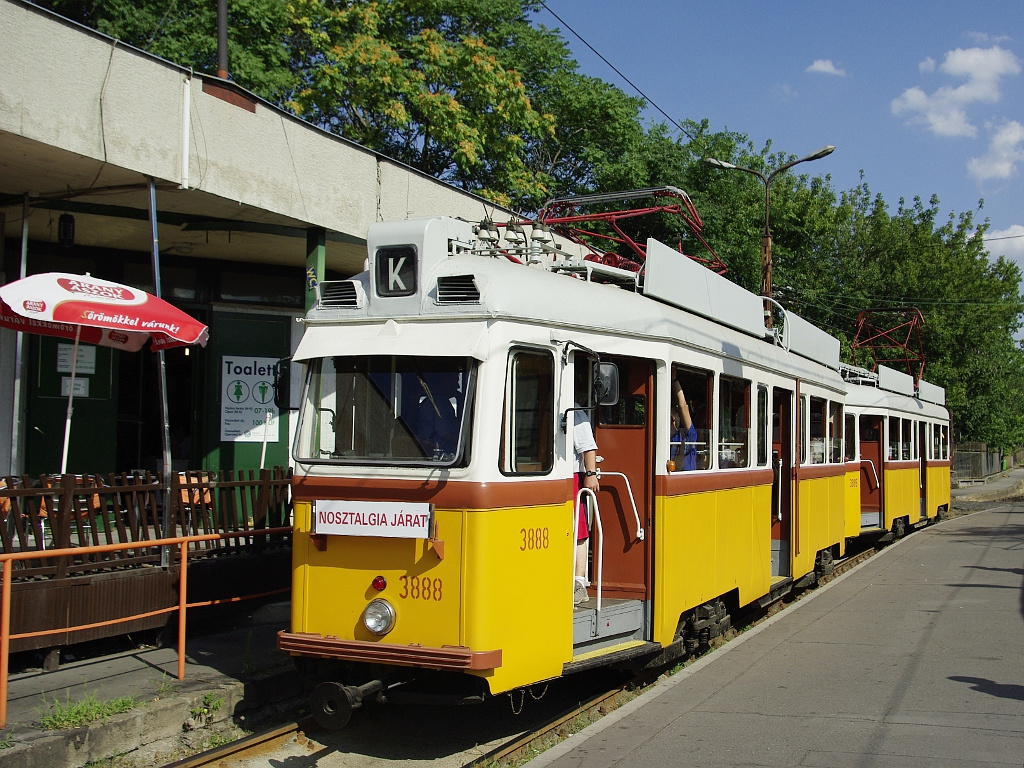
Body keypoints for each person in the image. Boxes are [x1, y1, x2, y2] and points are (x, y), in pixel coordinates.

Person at [573, 397, 599, 605]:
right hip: (560, 476)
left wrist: (590, 474)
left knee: (579, 530)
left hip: (572, 476)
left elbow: (588, 446)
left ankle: (579, 583)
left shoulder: (574, 409)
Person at [671, 379, 697, 471]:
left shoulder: (688, 435)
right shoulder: (668, 439)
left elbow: (683, 406)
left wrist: (674, 380)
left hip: (687, 476)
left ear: (672, 420)